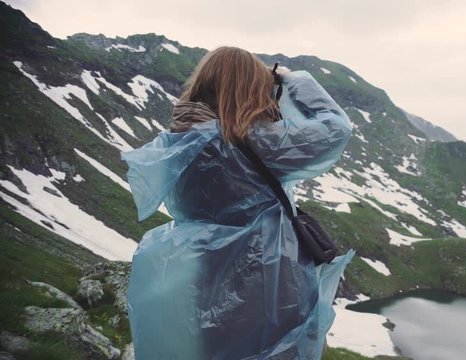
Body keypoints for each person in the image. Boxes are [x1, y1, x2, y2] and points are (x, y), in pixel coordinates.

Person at [121, 46, 354, 359]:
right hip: (267, 283)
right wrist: (293, 79)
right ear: (249, 90)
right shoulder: (259, 142)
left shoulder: (179, 141)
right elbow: (336, 129)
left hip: (206, 281)